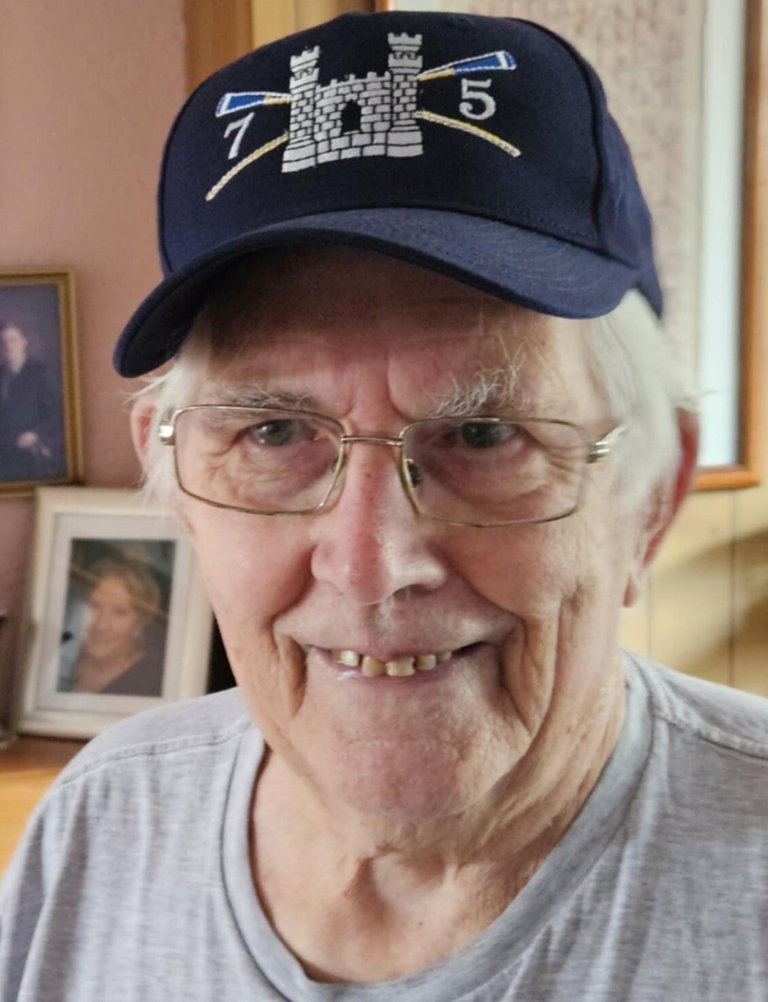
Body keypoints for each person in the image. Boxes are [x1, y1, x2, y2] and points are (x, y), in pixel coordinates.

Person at [2, 11, 767, 1000]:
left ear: (649, 502)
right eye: (275, 433)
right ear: (179, 481)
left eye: (483, 435)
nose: (370, 564)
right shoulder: (103, 822)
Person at [57, 558, 164, 697]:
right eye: (95, 606)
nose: (101, 625)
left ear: (140, 623)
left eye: (120, 612)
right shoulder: (63, 657)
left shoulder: (153, 682)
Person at [0, 323, 57, 483]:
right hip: (3, 450)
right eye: (3, 342)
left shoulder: (40, 372)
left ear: (24, 342)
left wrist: (35, 433)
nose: (8, 346)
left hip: (30, 452)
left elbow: (57, 413)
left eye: (13, 340)